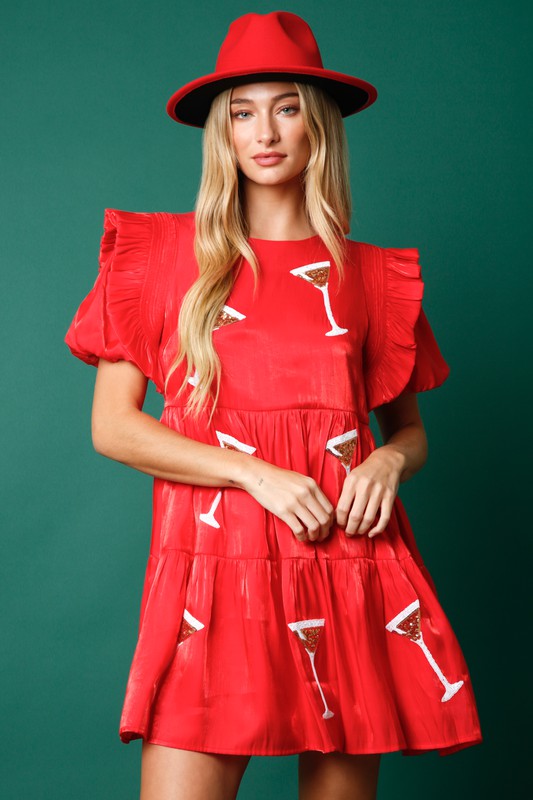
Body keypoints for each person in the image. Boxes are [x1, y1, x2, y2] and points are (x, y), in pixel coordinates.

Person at [65, 11, 482, 800]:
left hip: (346, 564)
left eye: (285, 107)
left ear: (317, 125)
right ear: (220, 134)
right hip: (213, 580)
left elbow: (409, 434)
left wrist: (390, 460)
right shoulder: (157, 257)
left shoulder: (371, 277)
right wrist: (254, 474)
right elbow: (113, 428)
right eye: (241, 113)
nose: (263, 132)